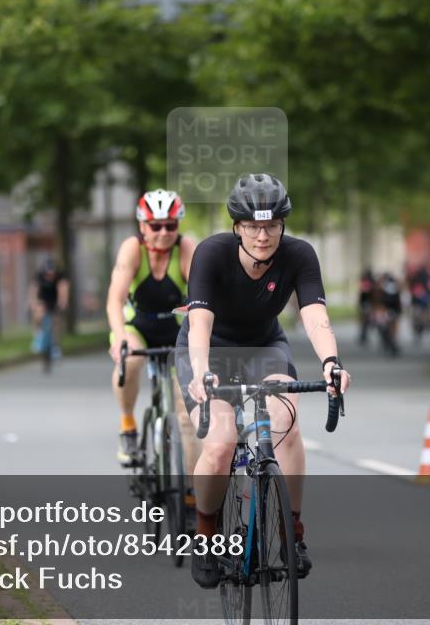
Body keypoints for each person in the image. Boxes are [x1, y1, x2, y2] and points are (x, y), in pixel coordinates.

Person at [176, 173, 351, 588]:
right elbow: (199, 322)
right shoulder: (211, 253)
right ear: (237, 227)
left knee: (286, 423)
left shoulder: (300, 255)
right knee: (219, 445)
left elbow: (314, 314)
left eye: (271, 225)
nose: (262, 235)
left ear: (282, 225)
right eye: (253, 226)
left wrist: (331, 361)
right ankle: (205, 536)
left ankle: (293, 531)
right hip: (209, 351)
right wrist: (201, 371)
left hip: (264, 347)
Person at [106, 189, 196, 465]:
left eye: (170, 225)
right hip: (137, 327)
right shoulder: (133, 248)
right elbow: (114, 300)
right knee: (130, 360)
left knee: (188, 408)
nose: (163, 232)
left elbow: (202, 298)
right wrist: (120, 338)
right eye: (155, 226)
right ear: (143, 226)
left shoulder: (186, 248)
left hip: (176, 328)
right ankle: (128, 426)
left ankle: (193, 497)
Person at [32, 258, 69, 358]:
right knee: (38, 313)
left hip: (55, 299)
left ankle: (55, 346)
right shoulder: (39, 276)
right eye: (48, 274)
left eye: (52, 274)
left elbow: (63, 290)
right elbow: (34, 291)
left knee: (57, 321)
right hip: (43, 298)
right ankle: (38, 336)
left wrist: (62, 303)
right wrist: (34, 303)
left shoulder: (60, 276)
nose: (50, 277)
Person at [372, 271, 402, 355]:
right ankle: (391, 341)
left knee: (390, 327)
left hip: (389, 310)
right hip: (385, 311)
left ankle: (392, 341)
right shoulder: (380, 289)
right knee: (386, 327)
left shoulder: (382, 288)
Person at [358, 268, 376, 345]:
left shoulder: (368, 281)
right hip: (366, 302)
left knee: (365, 319)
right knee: (365, 319)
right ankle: (363, 334)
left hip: (367, 302)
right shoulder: (369, 281)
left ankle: (364, 334)